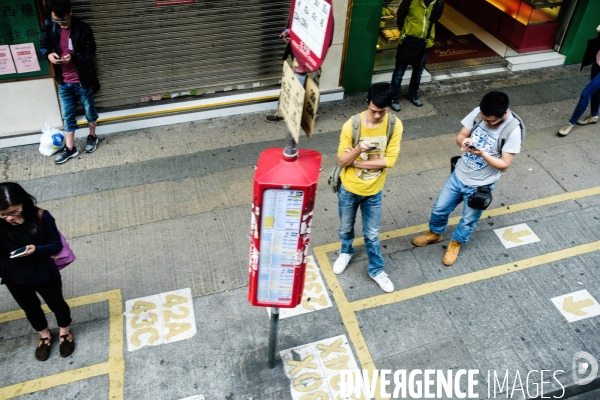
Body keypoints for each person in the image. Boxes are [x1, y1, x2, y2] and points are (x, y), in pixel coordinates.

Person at [412, 91, 522, 266]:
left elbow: (505, 165)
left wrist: (483, 153)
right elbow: (461, 136)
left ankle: (456, 243)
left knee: (468, 219)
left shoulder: (513, 130)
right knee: (440, 208)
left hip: (481, 185)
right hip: (459, 175)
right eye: (484, 119)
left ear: (504, 113)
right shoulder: (479, 112)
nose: (486, 123)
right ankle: (435, 233)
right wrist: (462, 142)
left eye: (491, 121)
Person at [332, 82, 403, 293]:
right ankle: (346, 251)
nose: (378, 115)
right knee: (346, 227)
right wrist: (356, 151)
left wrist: (358, 162)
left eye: (382, 111)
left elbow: (390, 161)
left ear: (390, 105)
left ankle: (376, 269)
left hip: (374, 191)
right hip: (349, 188)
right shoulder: (351, 125)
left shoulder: (394, 125)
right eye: (373, 110)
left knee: (372, 234)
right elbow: (341, 161)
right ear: (367, 103)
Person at [0, 183, 75, 361]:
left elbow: (55, 244)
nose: (9, 218)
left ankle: (65, 330)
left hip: (44, 271)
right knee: (30, 308)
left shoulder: (41, 216)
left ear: (23, 203)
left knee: (56, 303)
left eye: (14, 212)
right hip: (14, 276)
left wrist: (37, 249)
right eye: (3, 214)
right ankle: (44, 334)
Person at [40, 0, 100, 164]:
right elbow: (43, 45)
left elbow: (90, 53)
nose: (61, 24)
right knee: (67, 116)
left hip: (82, 80)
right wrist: (48, 55)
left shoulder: (83, 28)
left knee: (89, 112)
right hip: (63, 81)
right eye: (57, 21)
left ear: (70, 12)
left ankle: (92, 136)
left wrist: (73, 58)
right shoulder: (49, 26)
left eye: (64, 20)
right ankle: (70, 148)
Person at [390, 0, 444, 112]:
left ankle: (413, 94)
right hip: (408, 41)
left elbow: (436, 19)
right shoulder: (410, 1)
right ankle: (394, 97)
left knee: (418, 70)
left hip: (425, 42)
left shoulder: (438, 2)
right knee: (399, 71)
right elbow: (401, 16)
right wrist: (406, 32)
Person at [558, 24, 600, 136]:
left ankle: (570, 123)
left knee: (585, 94)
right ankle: (594, 115)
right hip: (597, 62)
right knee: (596, 91)